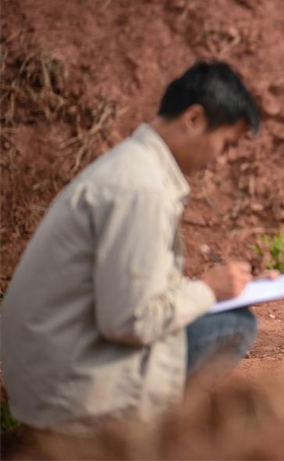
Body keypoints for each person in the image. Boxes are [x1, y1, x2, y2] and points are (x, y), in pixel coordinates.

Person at [1, 61, 262, 433]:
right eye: (227, 143)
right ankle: (138, 439)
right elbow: (130, 321)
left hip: (51, 367)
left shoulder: (133, 167)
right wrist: (208, 290)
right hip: (70, 389)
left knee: (220, 313)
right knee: (234, 325)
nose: (223, 159)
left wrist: (216, 289)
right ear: (193, 119)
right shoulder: (142, 189)